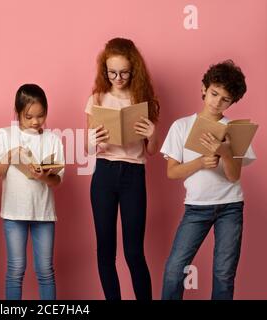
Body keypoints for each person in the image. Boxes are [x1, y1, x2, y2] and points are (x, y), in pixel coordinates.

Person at [161, 60, 256, 300]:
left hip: (231, 208)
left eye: (225, 99)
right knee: (174, 270)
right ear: (204, 89)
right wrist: (200, 163)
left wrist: (224, 151)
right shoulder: (181, 126)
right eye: (214, 94)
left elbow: (234, 176)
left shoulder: (233, 130)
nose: (217, 102)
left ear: (232, 102)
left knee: (224, 274)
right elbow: (172, 172)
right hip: (196, 208)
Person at [85, 37, 160, 300]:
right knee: (105, 250)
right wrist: (92, 141)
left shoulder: (143, 99)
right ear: (105, 70)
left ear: (134, 69)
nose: (117, 77)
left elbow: (150, 151)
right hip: (104, 173)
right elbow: (88, 147)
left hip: (133, 174)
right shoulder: (97, 98)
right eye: (112, 72)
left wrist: (153, 133)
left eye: (124, 72)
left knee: (133, 252)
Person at [0, 84, 65, 300]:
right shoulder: (5, 135)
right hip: (14, 214)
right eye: (28, 116)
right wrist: (11, 156)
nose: (35, 122)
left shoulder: (53, 139)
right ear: (18, 112)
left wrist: (43, 176)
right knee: (15, 270)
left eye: (40, 116)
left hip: (43, 213)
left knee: (45, 271)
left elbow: (57, 180)